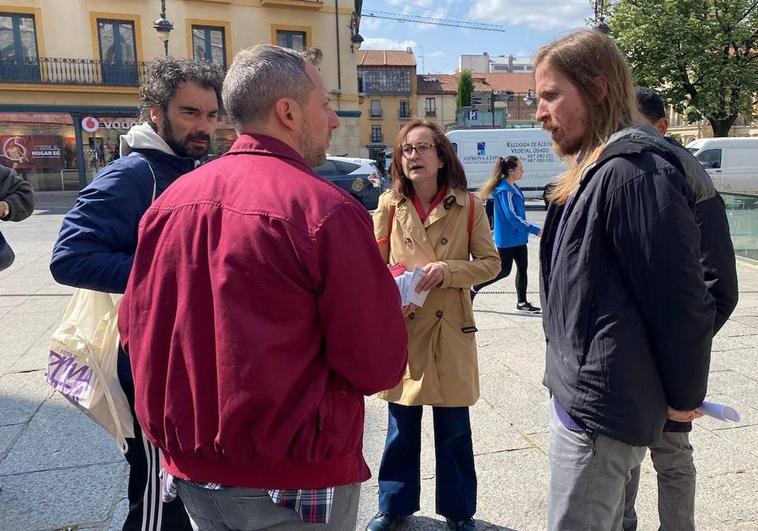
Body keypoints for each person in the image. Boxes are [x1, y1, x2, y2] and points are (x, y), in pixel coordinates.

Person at [118, 44, 409, 531]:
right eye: (325, 105)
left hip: (192, 467)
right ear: (289, 112)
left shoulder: (168, 205)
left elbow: (136, 328)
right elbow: (376, 362)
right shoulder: (326, 212)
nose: (333, 120)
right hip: (293, 470)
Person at [534, 30, 717, 530]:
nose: (539, 113)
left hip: (600, 413)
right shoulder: (591, 171)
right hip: (581, 400)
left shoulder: (634, 174)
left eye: (551, 95)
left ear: (597, 90)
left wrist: (682, 399)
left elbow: (683, 305)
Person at [50, 57, 224, 531]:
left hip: (178, 355)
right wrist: (170, 275)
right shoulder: (134, 175)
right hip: (145, 360)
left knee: (177, 481)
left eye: (211, 114)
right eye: (190, 113)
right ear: (155, 112)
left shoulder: (187, 167)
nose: (204, 126)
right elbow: (69, 257)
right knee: (156, 486)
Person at [366, 119, 500, 531]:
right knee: (400, 427)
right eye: (406, 150)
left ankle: (460, 514)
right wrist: (394, 280)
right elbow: (371, 264)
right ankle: (393, 506)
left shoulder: (470, 205)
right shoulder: (389, 204)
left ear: (442, 157)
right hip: (404, 325)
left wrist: (448, 270)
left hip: (451, 328)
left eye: (422, 148)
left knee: (454, 428)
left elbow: (490, 264)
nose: (413, 156)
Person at [622, 87, 738, 531]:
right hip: (627, 354)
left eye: (632, 120)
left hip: (669, 358)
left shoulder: (687, 175)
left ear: (662, 126)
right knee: (628, 456)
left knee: (668, 456)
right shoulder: (612, 171)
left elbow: (721, 286)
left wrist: (683, 345)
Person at [471, 155, 542, 313]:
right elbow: (512, 216)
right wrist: (535, 230)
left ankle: (522, 303)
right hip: (507, 239)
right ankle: (474, 289)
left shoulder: (514, 187)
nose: (523, 171)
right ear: (511, 171)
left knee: (523, 269)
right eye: (520, 169)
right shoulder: (504, 191)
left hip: (518, 237)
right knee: (503, 271)